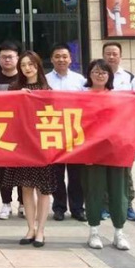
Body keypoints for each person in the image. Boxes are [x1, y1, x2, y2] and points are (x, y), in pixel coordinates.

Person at [5, 52, 54, 248]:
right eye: (24, 64)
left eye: (31, 64)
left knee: (43, 189)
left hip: (42, 145)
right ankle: (30, 228)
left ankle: (41, 230)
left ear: (38, 65)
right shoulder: (14, 88)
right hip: (23, 145)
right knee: (26, 187)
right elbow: (7, 113)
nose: (27, 68)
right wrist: (19, 97)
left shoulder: (47, 89)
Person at [82, 59, 131, 251]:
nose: (99, 75)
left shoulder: (119, 98)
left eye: (103, 72)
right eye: (95, 71)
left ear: (109, 75)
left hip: (116, 152)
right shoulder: (81, 97)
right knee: (94, 191)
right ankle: (94, 231)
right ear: (89, 74)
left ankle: (119, 232)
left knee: (118, 192)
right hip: (92, 152)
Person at [46, 44, 87, 222]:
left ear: (70, 59)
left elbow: (89, 104)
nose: (61, 59)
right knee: (56, 174)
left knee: (76, 174)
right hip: (53, 130)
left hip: (75, 132)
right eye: (57, 56)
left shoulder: (80, 80)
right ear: (51, 59)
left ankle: (77, 208)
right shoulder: (45, 80)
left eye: (64, 56)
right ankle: (59, 207)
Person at [103, 42, 135, 222]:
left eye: (114, 53)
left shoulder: (129, 78)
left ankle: (128, 206)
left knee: (124, 170)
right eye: (108, 53)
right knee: (102, 169)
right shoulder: (96, 76)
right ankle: (104, 206)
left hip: (123, 131)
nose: (111, 57)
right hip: (101, 131)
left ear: (120, 56)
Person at [0, 40, 23, 220]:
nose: (7, 60)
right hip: (0, 131)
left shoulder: (24, 78)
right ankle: (6, 203)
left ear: (17, 58)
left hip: (21, 131)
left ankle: (23, 203)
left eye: (10, 56)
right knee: (3, 169)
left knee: (23, 167)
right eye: (4, 57)